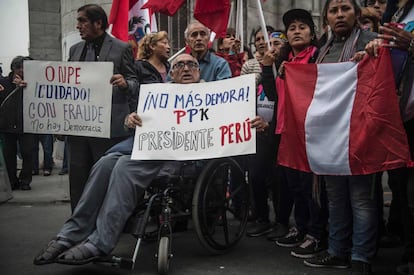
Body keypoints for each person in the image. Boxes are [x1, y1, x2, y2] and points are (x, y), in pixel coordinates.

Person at [33, 53, 200, 266]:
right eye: (179, 65)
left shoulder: (209, 95)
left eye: (191, 64)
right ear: (171, 73)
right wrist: (130, 120)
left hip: (178, 158)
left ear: (199, 71)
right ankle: (71, 233)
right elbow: (138, 119)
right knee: (104, 164)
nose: (185, 68)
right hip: (146, 149)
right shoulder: (159, 94)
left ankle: (100, 242)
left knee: (124, 166)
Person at [302, 1, 378, 274]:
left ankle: (361, 256)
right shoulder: (324, 49)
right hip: (330, 137)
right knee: (335, 197)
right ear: (327, 18)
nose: (339, 15)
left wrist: (374, 56)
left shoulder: (371, 42)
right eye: (333, 11)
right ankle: (337, 251)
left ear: (356, 15)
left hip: (360, 135)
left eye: (345, 8)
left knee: (360, 198)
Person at [260, 9, 328, 259]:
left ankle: (316, 234)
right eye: (292, 28)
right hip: (285, 133)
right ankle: (300, 228)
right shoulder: (283, 62)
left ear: (312, 33)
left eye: (302, 26)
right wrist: (268, 68)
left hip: (309, 134)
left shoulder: (318, 58)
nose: (297, 31)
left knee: (312, 189)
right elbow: (273, 96)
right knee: (295, 187)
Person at [66, 4, 138, 211]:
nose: (78, 25)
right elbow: (64, 85)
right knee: (78, 177)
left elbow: (135, 82)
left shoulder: (121, 48)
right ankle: (78, 221)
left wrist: (125, 83)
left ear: (98, 23)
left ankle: (108, 219)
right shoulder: (75, 50)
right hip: (79, 127)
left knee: (106, 176)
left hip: (108, 128)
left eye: (82, 21)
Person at [366, 0, 414, 273]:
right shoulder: (396, 13)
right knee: (401, 190)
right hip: (400, 116)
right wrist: (374, 50)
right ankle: (408, 252)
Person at [0, 56, 35, 191]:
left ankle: (25, 180)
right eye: (21, 68)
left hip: (26, 125)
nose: (23, 71)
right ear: (15, 69)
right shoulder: (3, 83)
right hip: (7, 126)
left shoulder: (31, 82)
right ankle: (12, 181)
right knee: (9, 155)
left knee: (28, 153)